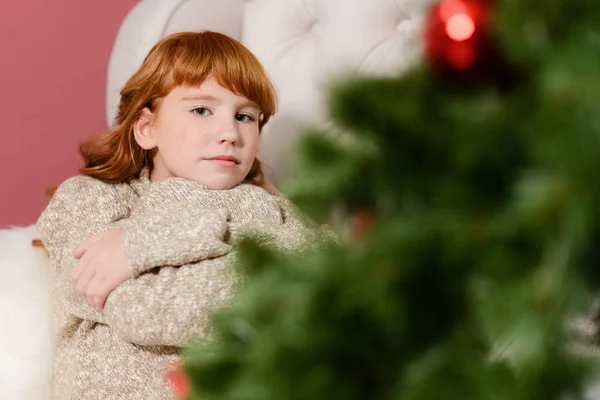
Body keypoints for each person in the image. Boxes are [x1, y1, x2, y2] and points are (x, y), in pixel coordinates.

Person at [37, 31, 323, 400]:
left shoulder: (264, 206)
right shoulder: (88, 199)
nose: (230, 132)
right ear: (147, 128)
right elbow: (140, 308)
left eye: (245, 115)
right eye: (201, 109)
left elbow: (324, 289)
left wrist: (143, 242)